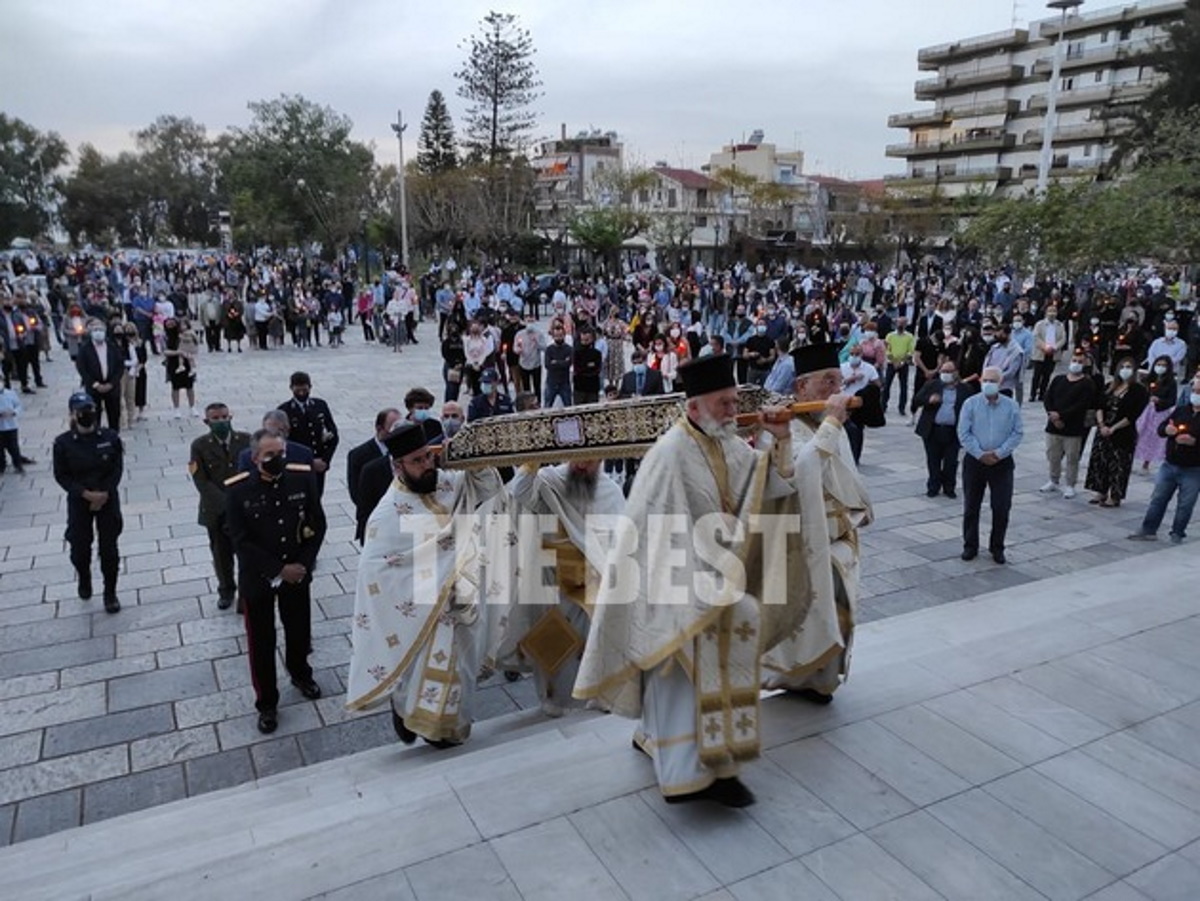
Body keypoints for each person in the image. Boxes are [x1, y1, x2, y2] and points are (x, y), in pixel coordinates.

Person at [574, 354, 809, 807]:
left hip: (714, 578)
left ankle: (716, 760)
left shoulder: (726, 442)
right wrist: (701, 585)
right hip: (669, 582)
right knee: (680, 665)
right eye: (723, 403)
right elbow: (656, 535)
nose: (731, 410)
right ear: (695, 407)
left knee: (736, 624)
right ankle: (686, 774)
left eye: (734, 401)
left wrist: (780, 441)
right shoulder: (669, 453)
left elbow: (762, 485)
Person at [345, 421, 502, 747]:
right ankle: (409, 715)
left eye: (428, 457)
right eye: (417, 461)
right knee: (421, 673)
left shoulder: (447, 483)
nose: (427, 465)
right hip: (421, 611)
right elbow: (377, 574)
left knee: (462, 669)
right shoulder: (387, 515)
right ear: (398, 466)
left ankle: (448, 727)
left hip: (463, 599)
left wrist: (470, 458)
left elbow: (488, 490)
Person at [761, 343, 873, 704]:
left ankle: (820, 680)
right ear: (801, 388)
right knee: (810, 619)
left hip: (835, 541)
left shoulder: (827, 420)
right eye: (826, 381)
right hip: (802, 542)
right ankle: (799, 678)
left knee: (838, 615)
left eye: (839, 381)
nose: (835, 390)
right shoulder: (782, 426)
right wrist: (830, 425)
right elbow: (795, 475)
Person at [491, 459, 626, 716]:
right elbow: (520, 492)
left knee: (596, 641)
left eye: (592, 460)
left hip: (592, 581)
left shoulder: (611, 490)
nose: (584, 465)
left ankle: (598, 693)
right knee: (554, 643)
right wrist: (532, 460)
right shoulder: (549, 479)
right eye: (579, 458)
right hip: (552, 579)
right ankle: (553, 699)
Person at [225, 430, 326, 734]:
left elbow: (316, 524)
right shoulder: (238, 490)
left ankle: (300, 673)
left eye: (280, 452)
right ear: (255, 458)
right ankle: (267, 702)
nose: (277, 459)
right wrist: (279, 569)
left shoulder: (300, 478)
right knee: (262, 641)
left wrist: (303, 566)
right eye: (269, 455)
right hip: (259, 578)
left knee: (298, 629)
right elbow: (240, 540)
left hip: (296, 572)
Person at [53, 392, 125, 612]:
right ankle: (84, 577)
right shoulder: (63, 443)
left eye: (91, 410)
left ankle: (110, 592)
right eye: (82, 411)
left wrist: (102, 494)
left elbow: (116, 469)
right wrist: (86, 494)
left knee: (109, 549)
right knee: (80, 548)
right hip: (79, 501)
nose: (88, 415)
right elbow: (62, 475)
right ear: (73, 414)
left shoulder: (110, 437)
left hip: (107, 498)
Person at [189, 403, 252, 611]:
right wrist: (226, 504)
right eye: (215, 418)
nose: (221, 421)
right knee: (221, 553)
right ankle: (226, 590)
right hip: (216, 510)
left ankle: (246, 592)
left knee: (246, 552)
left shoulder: (245, 440)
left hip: (244, 507)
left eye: (224, 417)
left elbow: (251, 471)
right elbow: (201, 480)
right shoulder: (199, 446)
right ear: (207, 421)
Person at [957, 367, 1024, 564]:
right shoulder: (970, 404)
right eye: (985, 380)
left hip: (1001, 463)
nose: (988, 384)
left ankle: (997, 547)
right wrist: (979, 454)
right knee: (971, 506)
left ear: (1000, 383)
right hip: (975, 461)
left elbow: (1017, 433)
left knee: (1001, 507)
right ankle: (970, 545)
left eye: (993, 381)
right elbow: (964, 433)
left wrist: (999, 453)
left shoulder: (1011, 406)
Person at [1129, 374, 1200, 544]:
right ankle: (1148, 529)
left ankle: (1177, 532)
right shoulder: (1182, 410)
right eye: (1195, 390)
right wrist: (1166, 430)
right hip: (1170, 464)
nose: (1196, 394)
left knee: (1185, 504)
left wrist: (1194, 442)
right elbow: (1162, 428)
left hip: (1193, 469)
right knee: (1158, 498)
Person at [1085, 356, 1150, 508]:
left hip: (1122, 431)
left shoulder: (1138, 391)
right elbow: (1100, 405)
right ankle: (1100, 491)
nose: (1125, 370)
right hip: (1104, 429)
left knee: (1118, 464)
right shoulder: (1110, 386)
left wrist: (1113, 428)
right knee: (1100, 461)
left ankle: (1115, 495)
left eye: (1128, 367)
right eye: (1122, 367)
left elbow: (1133, 414)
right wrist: (1102, 425)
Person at [1040, 348, 1099, 500]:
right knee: (1053, 455)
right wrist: (1052, 414)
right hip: (1053, 425)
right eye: (1074, 361)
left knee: (1072, 457)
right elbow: (1048, 397)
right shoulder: (1058, 379)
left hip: (1073, 427)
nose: (1076, 364)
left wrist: (1062, 415)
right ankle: (1053, 479)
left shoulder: (1087, 384)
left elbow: (1081, 405)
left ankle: (1070, 484)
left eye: (1080, 362)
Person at [912, 360, 975, 498]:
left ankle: (949, 487)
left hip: (953, 431)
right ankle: (933, 486)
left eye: (948, 372)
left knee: (951, 461)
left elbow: (972, 410)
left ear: (956, 373)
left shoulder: (965, 389)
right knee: (933, 460)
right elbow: (917, 399)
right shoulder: (932, 385)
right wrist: (929, 399)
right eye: (943, 372)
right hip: (932, 430)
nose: (945, 374)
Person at [278, 371, 339, 495]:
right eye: (298, 390)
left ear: (310, 387)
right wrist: (309, 462)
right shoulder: (284, 410)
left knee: (317, 497)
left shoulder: (320, 405)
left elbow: (333, 434)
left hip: (319, 464)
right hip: (297, 466)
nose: (301, 394)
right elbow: (283, 442)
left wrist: (326, 460)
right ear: (291, 388)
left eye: (305, 390)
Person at [347, 407, 402, 511]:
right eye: (392, 430)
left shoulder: (403, 450)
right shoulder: (358, 455)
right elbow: (356, 494)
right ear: (379, 428)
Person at [76, 320, 124, 431]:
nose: (98, 332)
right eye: (95, 330)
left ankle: (114, 436)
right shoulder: (84, 349)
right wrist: (95, 384)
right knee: (94, 415)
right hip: (94, 388)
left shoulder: (112, 346)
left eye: (101, 330)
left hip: (112, 387)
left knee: (114, 414)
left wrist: (111, 384)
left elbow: (119, 366)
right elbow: (82, 368)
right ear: (91, 332)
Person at [1135, 355, 1179, 474]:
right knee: (1138, 431)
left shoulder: (1171, 383)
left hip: (1159, 412)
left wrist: (1159, 401)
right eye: (1158, 365)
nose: (1160, 367)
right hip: (1145, 410)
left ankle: (1146, 462)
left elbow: (1172, 400)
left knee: (1152, 437)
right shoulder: (1148, 379)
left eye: (1164, 365)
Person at [163, 318, 199, 419]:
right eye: (168, 324)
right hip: (173, 363)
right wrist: (178, 353)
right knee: (175, 386)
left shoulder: (183, 334)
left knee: (190, 385)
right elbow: (165, 351)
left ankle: (192, 407)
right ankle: (176, 408)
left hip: (187, 361)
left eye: (172, 324)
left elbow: (194, 344)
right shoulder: (165, 337)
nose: (171, 326)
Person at [1030, 306, 1064, 402]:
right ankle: (1032, 394)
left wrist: (1055, 347)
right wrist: (1044, 347)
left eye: (1054, 311)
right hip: (1041, 353)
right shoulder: (1039, 324)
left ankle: (1042, 393)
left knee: (1047, 375)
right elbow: (1036, 337)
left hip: (1053, 353)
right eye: (1050, 311)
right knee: (1037, 375)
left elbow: (1063, 338)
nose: (1052, 313)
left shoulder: (1059, 325)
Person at [883, 317, 914, 418]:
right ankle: (883, 405)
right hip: (891, 363)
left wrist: (902, 362)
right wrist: (894, 361)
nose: (900, 325)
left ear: (906, 324)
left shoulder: (910, 336)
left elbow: (910, 351)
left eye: (903, 323)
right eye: (899, 323)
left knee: (904, 386)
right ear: (896, 324)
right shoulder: (890, 336)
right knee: (887, 385)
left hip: (903, 364)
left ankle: (902, 408)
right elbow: (887, 350)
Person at [543, 318, 573, 408]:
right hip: (551, 383)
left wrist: (555, 362)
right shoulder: (549, 349)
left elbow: (569, 364)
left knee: (569, 407)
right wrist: (563, 362)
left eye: (560, 335)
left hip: (564, 383)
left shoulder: (569, 349)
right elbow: (547, 365)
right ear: (553, 337)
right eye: (556, 336)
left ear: (564, 336)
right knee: (547, 407)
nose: (558, 337)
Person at [572, 329, 603, 405]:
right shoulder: (576, 353)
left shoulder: (597, 353)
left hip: (593, 388)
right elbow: (577, 369)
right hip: (580, 388)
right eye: (583, 340)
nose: (585, 342)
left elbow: (597, 369)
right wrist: (588, 366)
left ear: (592, 339)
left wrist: (585, 367)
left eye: (587, 340)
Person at [0, 382, 25, 474]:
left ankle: (18, 464)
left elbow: (19, 405)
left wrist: (14, 412)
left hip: (11, 425)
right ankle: (2, 465)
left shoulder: (10, 393)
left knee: (13, 446)